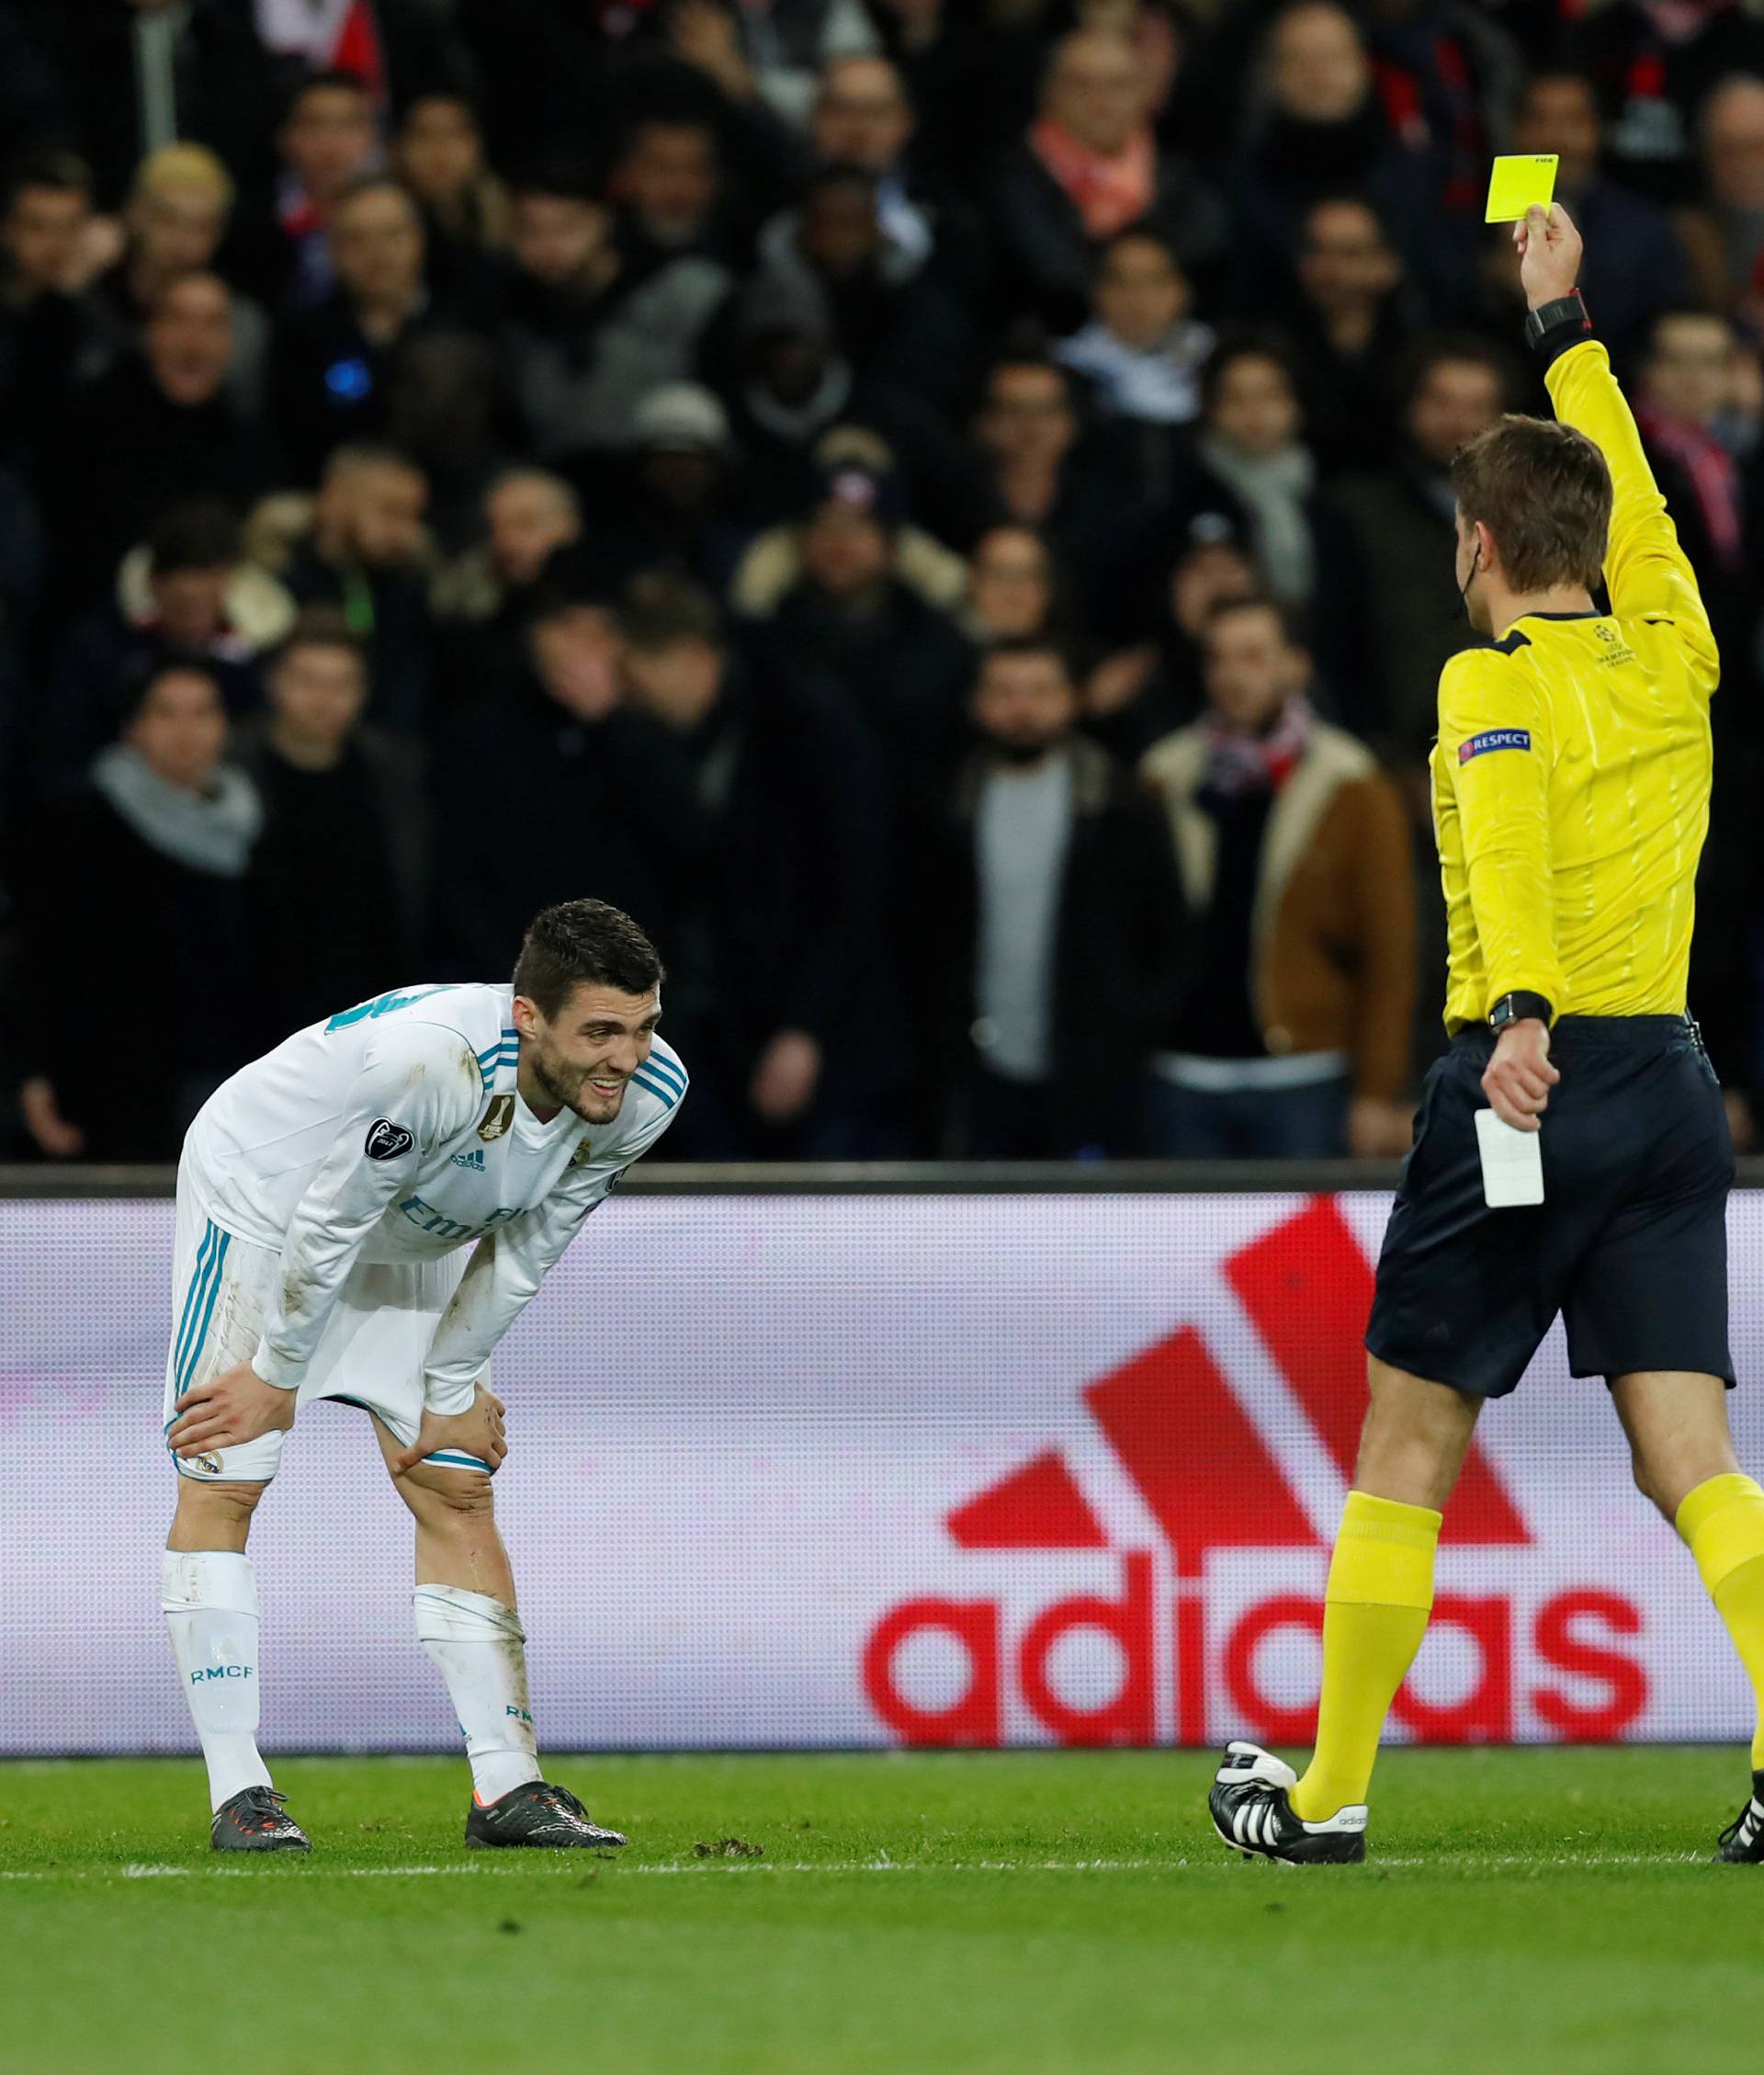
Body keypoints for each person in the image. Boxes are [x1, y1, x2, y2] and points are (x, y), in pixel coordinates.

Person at [1209, 204, 1764, 1869]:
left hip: (1528, 1080)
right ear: (1591, 540)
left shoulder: (1486, 683)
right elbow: (1637, 498)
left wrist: (1518, 1008)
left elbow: (1509, 836)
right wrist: (1564, 319)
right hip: (1671, 1084)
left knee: (1410, 1435)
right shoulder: (1679, 654)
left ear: (1476, 545)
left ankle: (1327, 1792)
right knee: (1692, 1455)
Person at [158, 899, 685, 1852]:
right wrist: (276, 1372)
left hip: (419, 1216)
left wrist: (454, 1384)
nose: (626, 1055)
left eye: (642, 1026)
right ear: (529, 1016)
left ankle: (508, 1789)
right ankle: (241, 1790)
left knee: (456, 1483)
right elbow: (326, 1221)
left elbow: (532, 1241)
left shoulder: (648, 1091)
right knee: (228, 1466)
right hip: (269, 1200)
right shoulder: (430, 1063)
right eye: (600, 1031)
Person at [619, 575, 896, 1156]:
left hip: (822, 1039)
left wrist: (804, 1029)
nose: (632, 696)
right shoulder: (674, 744)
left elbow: (850, 891)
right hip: (719, 1032)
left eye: (638, 677)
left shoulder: (808, 727)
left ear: (691, 656)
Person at [1140, 595, 1413, 1161]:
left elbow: (1391, 955)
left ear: (1296, 665)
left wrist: (1377, 1092)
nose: (1232, 676)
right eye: (1219, 659)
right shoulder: (1165, 776)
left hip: (1304, 1076)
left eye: (1253, 657)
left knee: (1297, 1251)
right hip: (1182, 1070)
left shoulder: (1353, 786)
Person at [926, 636, 1182, 1158]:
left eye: (1040, 691)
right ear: (977, 702)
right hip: (973, 1080)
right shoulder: (944, 806)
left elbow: (1167, 934)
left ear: (1071, 699)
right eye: (1005, 691)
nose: (1022, 708)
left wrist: (1125, 1031)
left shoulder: (1120, 805)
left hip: (1092, 1080)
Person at [17, 661, 261, 1163]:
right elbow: (37, 957)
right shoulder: (79, 822)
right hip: (108, 1084)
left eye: (202, 712)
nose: (186, 731)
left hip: (233, 1080)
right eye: (165, 713)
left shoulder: (254, 822)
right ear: (133, 728)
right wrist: (29, 1072)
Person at [235, 610, 431, 1047]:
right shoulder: (233, 769)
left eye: (342, 684)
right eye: (307, 681)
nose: (324, 700)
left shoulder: (395, 774)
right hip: (254, 1014)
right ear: (274, 683)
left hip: (372, 1016)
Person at [987, 28, 1225, 334]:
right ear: (1047, 91)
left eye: (1118, 85)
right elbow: (1044, 271)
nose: (1101, 101)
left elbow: (1208, 246)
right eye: (1081, 85)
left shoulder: (1182, 172)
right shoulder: (1010, 178)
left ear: (1145, 92)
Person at [1053, 226, 1214, 429]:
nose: (1137, 297)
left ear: (1182, 290)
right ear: (1096, 291)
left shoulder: (1216, 357)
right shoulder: (1065, 366)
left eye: (1153, 281)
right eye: (1121, 282)